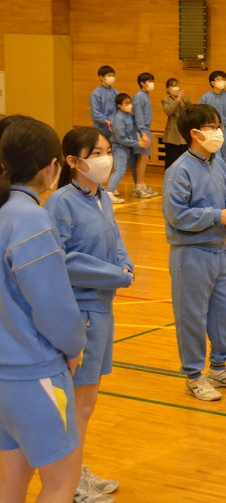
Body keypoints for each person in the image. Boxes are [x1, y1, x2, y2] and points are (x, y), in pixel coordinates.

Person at [0, 117, 87, 503]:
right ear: (52, 167)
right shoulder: (31, 219)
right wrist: (73, 347)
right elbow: (55, 310)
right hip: (32, 375)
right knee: (60, 483)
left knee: (10, 483)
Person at [45, 127, 134, 503]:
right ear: (72, 161)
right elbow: (62, 260)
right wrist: (117, 274)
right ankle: (70, 482)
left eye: (108, 150)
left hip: (104, 309)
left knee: (88, 402)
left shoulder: (103, 198)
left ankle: (76, 470)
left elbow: (115, 243)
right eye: (96, 152)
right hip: (81, 313)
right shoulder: (60, 203)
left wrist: (126, 264)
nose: (105, 158)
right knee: (77, 404)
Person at [162, 104, 226, 402]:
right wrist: (217, 215)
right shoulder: (179, 171)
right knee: (192, 316)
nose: (218, 131)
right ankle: (193, 376)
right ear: (195, 133)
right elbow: (177, 215)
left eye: (218, 125)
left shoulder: (218, 163)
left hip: (219, 252)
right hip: (191, 253)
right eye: (212, 126)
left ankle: (219, 367)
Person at [197, 70, 226, 165]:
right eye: (218, 79)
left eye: (222, 79)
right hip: (210, 131)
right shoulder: (205, 97)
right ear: (212, 83)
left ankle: (224, 178)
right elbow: (200, 116)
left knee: (225, 158)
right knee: (214, 156)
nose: (221, 81)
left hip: (225, 130)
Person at [106, 94, 138, 205]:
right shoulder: (118, 118)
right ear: (119, 106)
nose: (129, 105)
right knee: (120, 169)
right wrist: (138, 143)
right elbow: (121, 139)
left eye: (130, 102)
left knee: (130, 167)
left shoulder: (128, 115)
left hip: (127, 147)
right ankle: (109, 192)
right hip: (119, 147)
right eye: (126, 103)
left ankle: (113, 188)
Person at [132, 72, 158, 198]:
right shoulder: (139, 96)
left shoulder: (145, 96)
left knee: (145, 158)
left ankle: (141, 184)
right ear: (142, 83)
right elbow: (138, 116)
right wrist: (143, 132)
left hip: (146, 129)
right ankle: (139, 186)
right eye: (148, 81)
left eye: (152, 80)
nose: (151, 83)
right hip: (142, 130)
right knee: (143, 158)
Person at [161, 78, 190, 169]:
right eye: (173, 86)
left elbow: (191, 110)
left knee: (185, 159)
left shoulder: (184, 98)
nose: (176, 88)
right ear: (168, 89)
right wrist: (178, 100)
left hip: (183, 133)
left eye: (177, 85)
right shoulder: (166, 100)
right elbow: (169, 111)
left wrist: (185, 100)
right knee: (171, 159)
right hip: (172, 135)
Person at [89, 66, 118, 138]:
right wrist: (107, 122)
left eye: (113, 76)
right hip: (101, 127)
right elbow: (96, 113)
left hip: (113, 126)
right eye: (109, 76)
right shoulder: (96, 93)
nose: (112, 78)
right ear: (101, 77)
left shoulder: (115, 92)